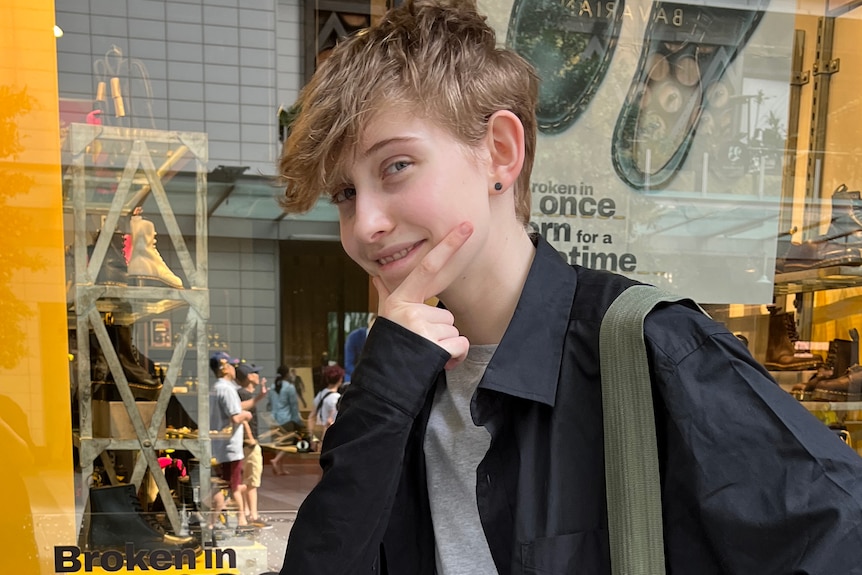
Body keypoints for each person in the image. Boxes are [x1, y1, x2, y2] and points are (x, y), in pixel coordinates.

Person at [276, 1, 862, 573]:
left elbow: (840, 535)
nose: (366, 224)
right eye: (346, 194)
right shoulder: (402, 378)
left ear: (499, 153)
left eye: (395, 166)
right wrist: (381, 394)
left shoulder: (655, 348)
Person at [207, 351, 253, 533]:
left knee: (226, 484)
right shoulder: (226, 388)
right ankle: (241, 521)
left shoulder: (216, 387)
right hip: (229, 446)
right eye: (232, 365)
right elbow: (235, 417)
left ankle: (218, 520)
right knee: (233, 486)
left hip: (219, 446)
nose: (235, 368)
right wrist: (247, 414)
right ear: (224, 368)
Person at [235, 361, 271, 530]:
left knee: (246, 480)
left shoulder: (242, 393)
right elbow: (241, 417)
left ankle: (248, 512)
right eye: (255, 373)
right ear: (249, 377)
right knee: (252, 481)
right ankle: (253, 516)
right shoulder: (244, 394)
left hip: (245, 443)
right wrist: (251, 439)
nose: (258, 376)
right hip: (249, 444)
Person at [269, 365, 307, 476]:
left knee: (279, 443)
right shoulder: (290, 387)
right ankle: (276, 461)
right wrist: (297, 421)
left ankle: (280, 468)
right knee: (288, 443)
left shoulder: (272, 387)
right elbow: (293, 406)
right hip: (286, 418)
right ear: (286, 374)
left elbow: (270, 403)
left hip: (273, 418)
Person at [307, 363, 344, 445]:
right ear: (340, 379)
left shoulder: (320, 394)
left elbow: (311, 417)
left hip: (318, 431)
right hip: (328, 434)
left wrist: (311, 436)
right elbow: (332, 421)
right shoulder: (336, 398)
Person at [343, 314, 375, 385]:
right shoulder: (354, 337)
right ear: (369, 322)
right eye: (374, 324)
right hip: (354, 375)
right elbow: (348, 365)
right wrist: (363, 376)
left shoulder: (381, 340)